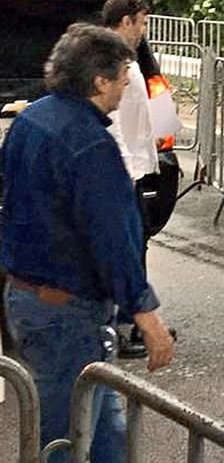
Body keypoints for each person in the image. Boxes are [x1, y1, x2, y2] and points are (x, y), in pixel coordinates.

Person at [2, 25, 175, 463]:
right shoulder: (91, 146)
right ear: (99, 81)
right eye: (122, 75)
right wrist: (146, 316)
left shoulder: (31, 120)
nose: (125, 85)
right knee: (67, 439)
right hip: (67, 315)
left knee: (103, 436)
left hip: (30, 299)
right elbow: (114, 238)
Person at [99, 0, 162, 359]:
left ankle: (137, 321)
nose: (144, 30)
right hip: (126, 169)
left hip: (137, 166)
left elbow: (154, 98)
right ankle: (128, 324)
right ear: (126, 21)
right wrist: (124, 169)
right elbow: (113, 122)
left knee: (137, 244)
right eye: (141, 22)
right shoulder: (109, 59)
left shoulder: (129, 57)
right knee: (129, 246)